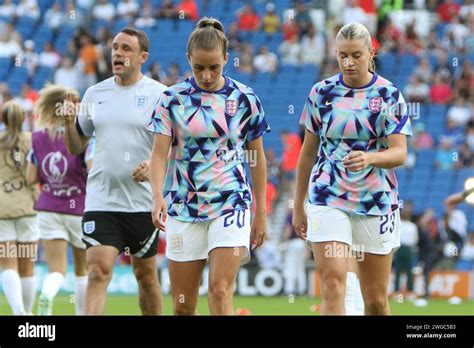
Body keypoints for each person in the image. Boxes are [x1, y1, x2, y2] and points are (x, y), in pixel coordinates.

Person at [148, 17, 269, 315]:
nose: (205, 75)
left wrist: (261, 211)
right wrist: (157, 196)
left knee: (219, 290)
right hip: (183, 206)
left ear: (226, 59)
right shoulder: (171, 99)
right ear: (188, 59)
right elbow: (158, 154)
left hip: (231, 202)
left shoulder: (245, 99)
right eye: (198, 67)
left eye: (213, 67)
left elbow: (257, 157)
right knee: (183, 307)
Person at [293, 22, 412, 315]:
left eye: (356, 55)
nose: (348, 62)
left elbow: (399, 153)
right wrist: (298, 205)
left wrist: (370, 158)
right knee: (333, 284)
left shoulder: (388, 95)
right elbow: (307, 153)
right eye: (342, 55)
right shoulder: (321, 93)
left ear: (371, 52)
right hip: (327, 197)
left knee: (375, 301)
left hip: (375, 200)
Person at [63, 27, 167, 315]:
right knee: (98, 271)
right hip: (101, 201)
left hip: (142, 204)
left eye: (126, 49)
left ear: (142, 56)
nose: (118, 53)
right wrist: (68, 123)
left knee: (146, 278)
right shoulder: (95, 93)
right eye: (115, 48)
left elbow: (174, 145)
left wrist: (153, 164)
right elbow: (75, 146)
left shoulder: (160, 95)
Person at [25, 85, 90, 315]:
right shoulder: (81, 136)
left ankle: (47, 296)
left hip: (48, 208)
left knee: (56, 270)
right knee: (82, 271)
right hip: (78, 209)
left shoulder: (38, 138)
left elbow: (31, 176)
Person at [0, 101, 39, 315]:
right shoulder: (32, 140)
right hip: (28, 207)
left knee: (8, 264)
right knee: (27, 268)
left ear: (3, 119)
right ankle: (27, 314)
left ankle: (17, 311)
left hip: (2, 209)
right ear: (23, 118)